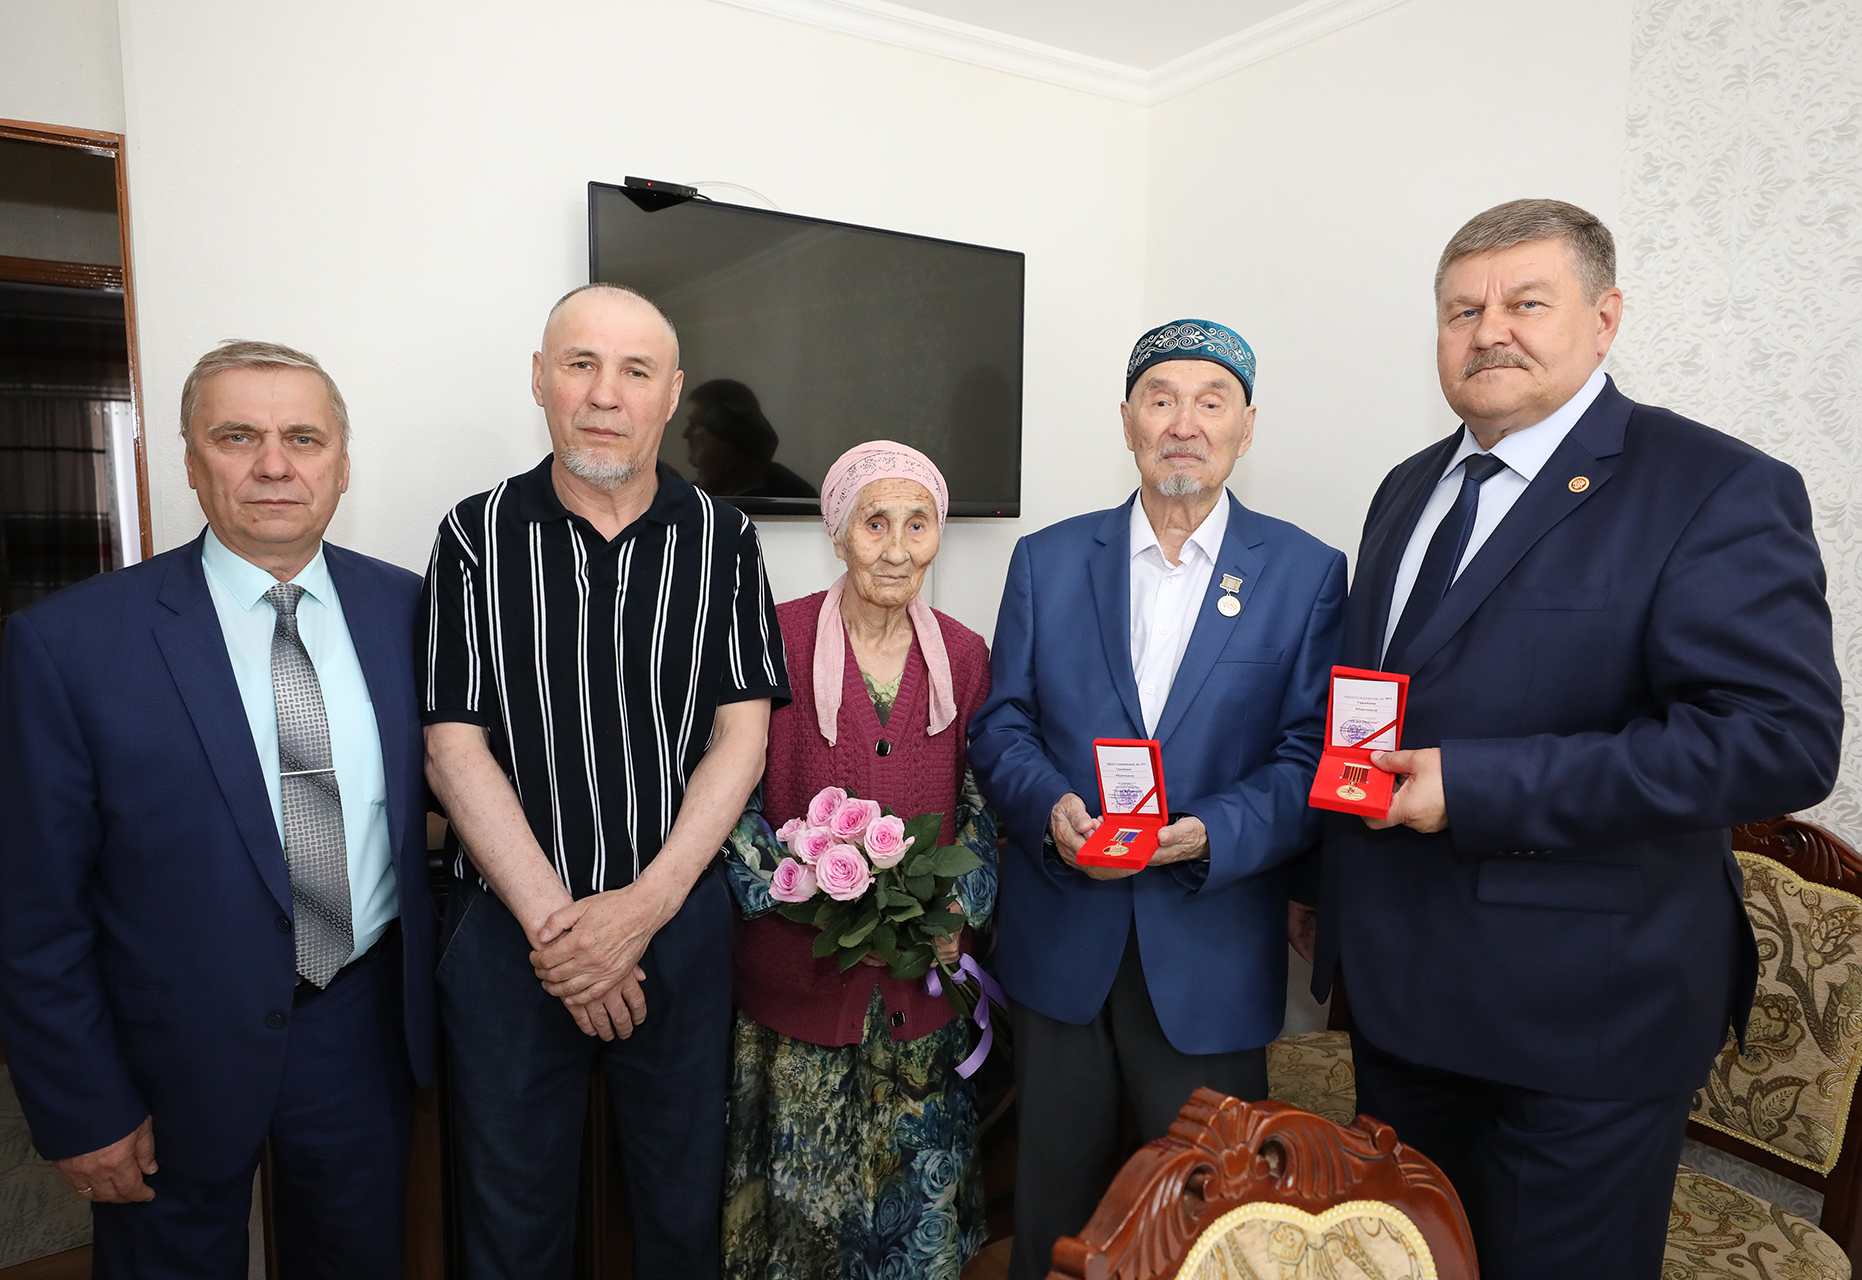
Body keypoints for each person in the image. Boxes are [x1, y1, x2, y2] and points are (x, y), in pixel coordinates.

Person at [1307, 199, 1842, 1278]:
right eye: (1462, 310)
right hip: (1401, 999)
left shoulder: (1715, 487)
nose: (1489, 331)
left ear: (1604, 319)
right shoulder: (1407, 487)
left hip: (1582, 1020)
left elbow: (1780, 739)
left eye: (1526, 302)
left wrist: (1480, 784)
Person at [0, 340, 436, 1278]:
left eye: (303, 438)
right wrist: (82, 1105)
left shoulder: (415, 613)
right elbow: (30, 912)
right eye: (237, 437)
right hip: (164, 1049)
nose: (274, 464)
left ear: (341, 464)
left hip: (358, 1027)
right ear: (189, 462)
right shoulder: (67, 645)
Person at [419, 283, 789, 1280]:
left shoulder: (726, 537)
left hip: (677, 931)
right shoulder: (473, 535)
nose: (604, 393)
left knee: (681, 1215)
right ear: (541, 380)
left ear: (670, 394)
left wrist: (640, 910)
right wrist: (567, 935)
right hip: (509, 938)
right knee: (511, 1226)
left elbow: (742, 737)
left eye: (635, 371)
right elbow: (452, 748)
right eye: (580, 364)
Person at [968, 319, 1347, 1280]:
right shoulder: (1048, 560)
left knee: (1205, 1229)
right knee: (1052, 1217)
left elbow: (1311, 755)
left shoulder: (1306, 572)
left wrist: (1212, 831)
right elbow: (1002, 725)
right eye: (1161, 399)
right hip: (1064, 945)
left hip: (1209, 949)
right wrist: (1048, 806)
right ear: (1127, 421)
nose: (1185, 423)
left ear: (1246, 427)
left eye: (1211, 401)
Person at [720, 441, 998, 1279]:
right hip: (797, 1000)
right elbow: (728, 803)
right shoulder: (773, 639)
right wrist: (812, 899)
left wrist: (954, 910)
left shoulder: (966, 656)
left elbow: (984, 807)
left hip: (920, 1011)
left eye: (919, 524)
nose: (898, 548)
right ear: (838, 531)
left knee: (913, 1241)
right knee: (802, 1240)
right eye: (876, 523)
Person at [681, 377, 818, 498]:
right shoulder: (689, 498)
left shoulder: (792, 508)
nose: (686, 434)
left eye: (696, 424)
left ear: (729, 452)